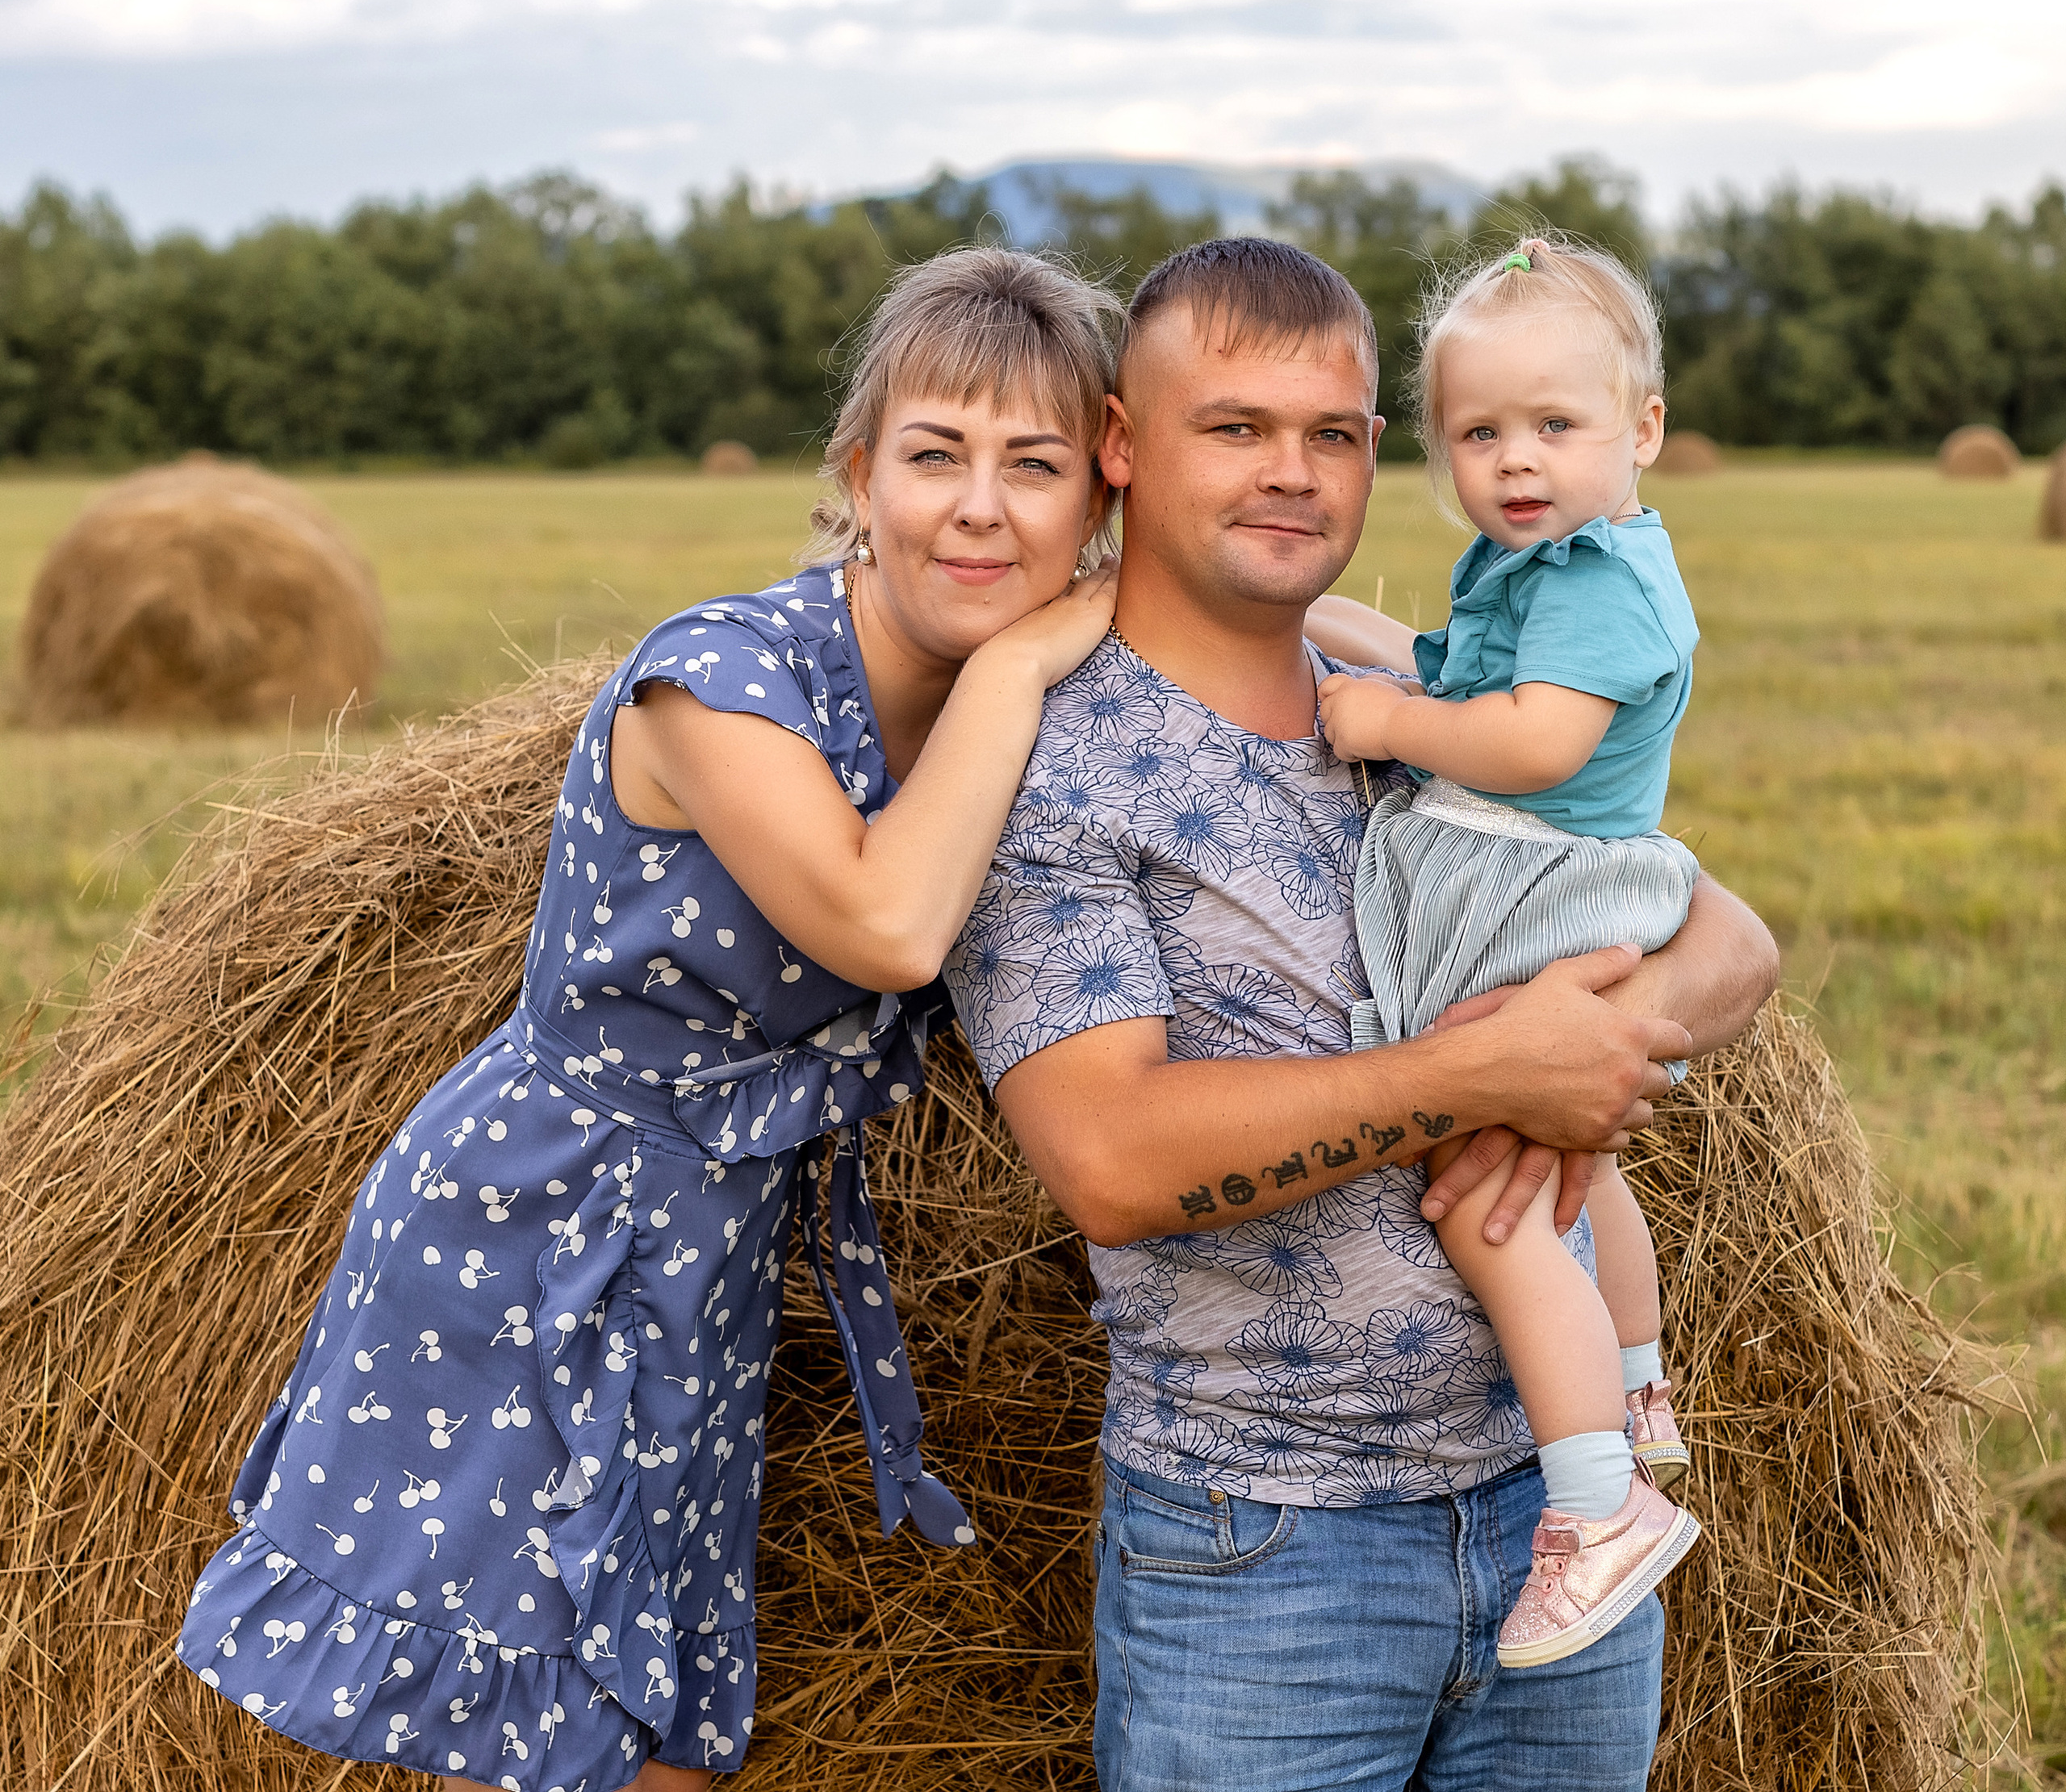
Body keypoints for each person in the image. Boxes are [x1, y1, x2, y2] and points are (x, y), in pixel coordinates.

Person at [174, 247, 1132, 1792]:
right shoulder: (720, 678)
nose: (983, 508)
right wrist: (1033, 651)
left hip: (706, 1258)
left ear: (1102, 497)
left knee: (664, 1740)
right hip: (535, 1233)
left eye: (1038, 469)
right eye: (935, 455)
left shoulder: (1001, 684)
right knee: (530, 1734)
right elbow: (889, 926)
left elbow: (1289, 647)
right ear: (856, 474)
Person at [945, 236, 1780, 1790]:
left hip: (1559, 1529)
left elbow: (1729, 934)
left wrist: (1614, 1029)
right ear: (1124, 444)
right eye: (1236, 428)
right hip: (1270, 1563)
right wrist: (1488, 1073)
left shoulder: (1418, 697)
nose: (1293, 474)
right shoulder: (1051, 764)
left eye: (1331, 434)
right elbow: (1114, 1162)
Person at [1315, 235, 1702, 1672]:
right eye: (1480, 433)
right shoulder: (1547, 568)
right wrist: (1312, 630)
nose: (1516, 461)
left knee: (1488, 1201)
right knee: (1570, 1165)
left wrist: (1388, 729)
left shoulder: (1595, 580)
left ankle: (1597, 1507)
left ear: (1643, 431)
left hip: (1534, 889)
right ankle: (1641, 1381)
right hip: (1563, 887)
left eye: (1557, 425)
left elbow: (1530, 739)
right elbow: (1441, 658)